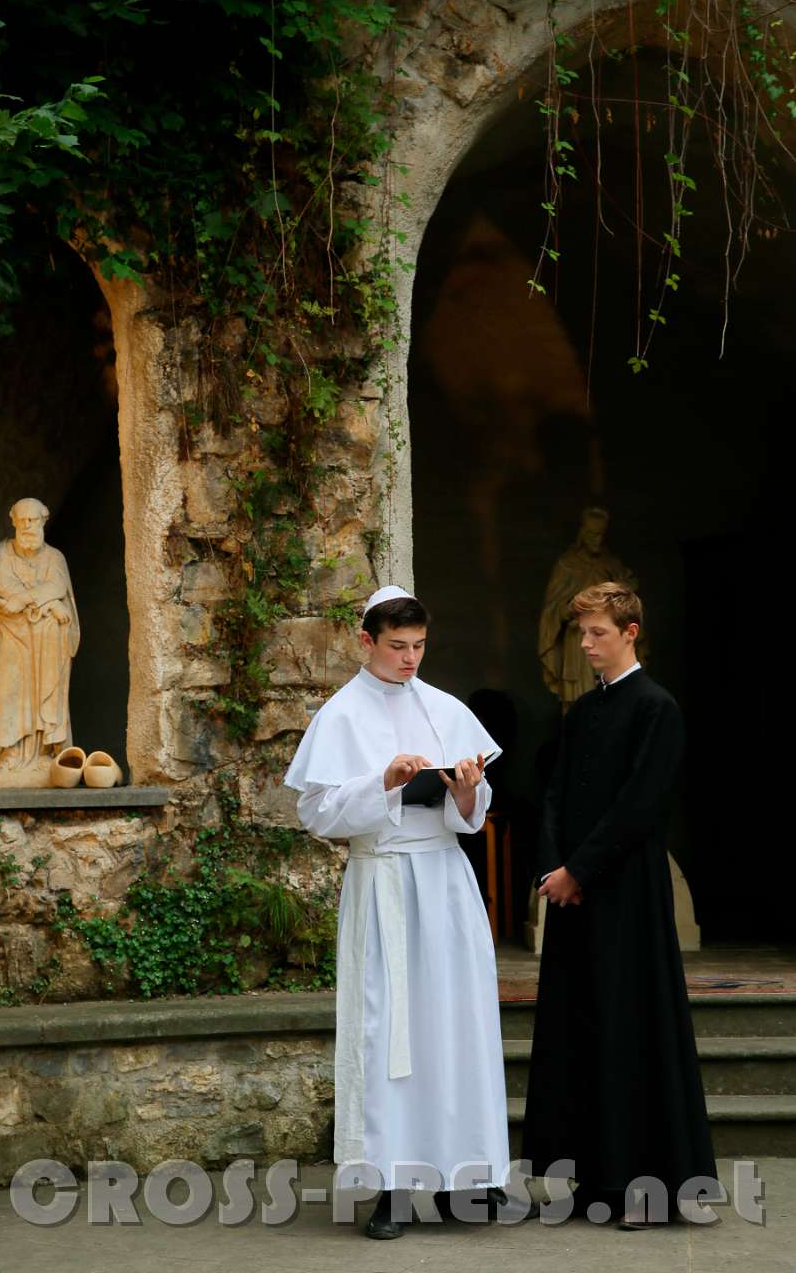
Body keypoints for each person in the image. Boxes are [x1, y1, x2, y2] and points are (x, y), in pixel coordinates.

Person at [284, 586, 510, 1238]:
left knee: (454, 1028)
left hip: (444, 882)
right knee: (388, 1036)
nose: (409, 660)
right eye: (396, 647)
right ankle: (389, 1187)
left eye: (418, 648)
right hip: (382, 881)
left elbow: (474, 814)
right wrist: (381, 782)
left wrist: (467, 793)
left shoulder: (443, 708)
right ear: (365, 641)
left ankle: (464, 1177)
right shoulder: (340, 715)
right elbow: (316, 812)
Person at [522, 582, 716, 1228]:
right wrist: (553, 868)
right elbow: (552, 794)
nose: (585, 645)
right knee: (582, 1028)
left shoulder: (656, 708)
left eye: (596, 633)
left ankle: (641, 1185)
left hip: (625, 897)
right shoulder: (580, 712)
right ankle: (592, 1178)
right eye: (581, 634)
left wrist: (579, 869)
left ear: (629, 632)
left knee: (628, 1025)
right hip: (576, 900)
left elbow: (640, 805)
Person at [0, 498, 79, 783]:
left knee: (46, 693)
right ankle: (11, 754)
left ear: (43, 521)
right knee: (8, 691)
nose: (27, 525)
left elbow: (57, 585)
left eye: (33, 520)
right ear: (13, 521)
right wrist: (50, 604)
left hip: (47, 642)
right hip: (10, 638)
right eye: (22, 520)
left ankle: (48, 754)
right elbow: (2, 587)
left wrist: (30, 600)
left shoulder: (54, 558)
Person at [538, 507, 638, 709]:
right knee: (578, 705)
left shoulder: (610, 564)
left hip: (608, 643)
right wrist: (568, 611)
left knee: (610, 703)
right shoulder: (567, 565)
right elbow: (553, 609)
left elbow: (630, 588)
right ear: (583, 534)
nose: (597, 540)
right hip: (577, 643)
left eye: (600, 534)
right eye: (592, 534)